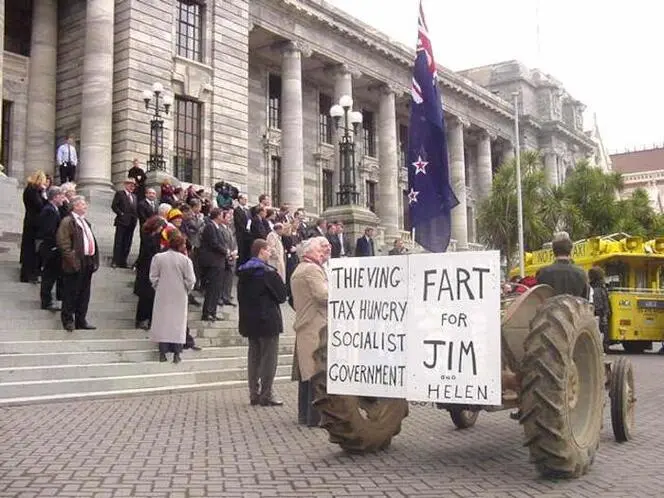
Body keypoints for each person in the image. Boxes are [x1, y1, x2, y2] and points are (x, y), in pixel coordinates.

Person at [237, 239, 288, 406]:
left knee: (254, 357)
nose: (270, 253)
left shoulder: (243, 273)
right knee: (269, 358)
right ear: (261, 251)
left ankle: (254, 393)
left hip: (250, 321)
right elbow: (281, 296)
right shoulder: (268, 272)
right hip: (268, 321)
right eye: (268, 250)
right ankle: (267, 394)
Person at [290, 236, 331, 426]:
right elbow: (323, 295)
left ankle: (304, 415)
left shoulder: (299, 269)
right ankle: (314, 417)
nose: (322, 253)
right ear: (308, 252)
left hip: (305, 324)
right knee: (315, 371)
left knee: (306, 374)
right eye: (318, 250)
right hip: (316, 324)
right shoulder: (312, 270)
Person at [149, 232, 196, 363]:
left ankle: (162, 352)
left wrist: (158, 286)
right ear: (180, 245)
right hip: (179, 295)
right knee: (178, 324)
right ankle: (177, 353)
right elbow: (191, 280)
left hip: (162, 294)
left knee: (163, 322)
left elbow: (153, 276)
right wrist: (186, 289)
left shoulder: (158, 257)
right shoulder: (185, 260)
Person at [56, 196, 99, 331]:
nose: (85, 206)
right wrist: (73, 260)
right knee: (71, 292)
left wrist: (94, 259)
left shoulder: (85, 221)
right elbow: (63, 243)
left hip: (88, 261)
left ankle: (81, 320)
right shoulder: (68, 221)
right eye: (82, 204)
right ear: (75, 206)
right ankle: (68, 320)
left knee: (84, 293)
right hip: (75, 261)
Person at [134, 216, 166, 330]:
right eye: (160, 226)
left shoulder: (158, 237)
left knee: (151, 296)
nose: (161, 229)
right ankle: (141, 320)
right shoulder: (148, 236)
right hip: (145, 269)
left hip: (154, 269)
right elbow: (147, 251)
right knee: (145, 296)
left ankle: (149, 319)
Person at [536, 232, 589, 298]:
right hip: (574, 307)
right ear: (570, 251)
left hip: (552, 308)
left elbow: (538, 299)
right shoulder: (581, 273)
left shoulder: (542, 272)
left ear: (553, 251)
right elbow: (585, 300)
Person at [37, 187, 65, 311]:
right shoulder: (49, 211)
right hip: (50, 248)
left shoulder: (54, 209)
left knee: (51, 276)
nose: (63, 198)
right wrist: (55, 246)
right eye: (61, 195)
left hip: (51, 247)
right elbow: (49, 231)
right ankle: (46, 302)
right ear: (55, 197)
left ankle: (48, 300)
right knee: (48, 276)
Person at [198, 208, 227, 321]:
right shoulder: (210, 226)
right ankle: (207, 312)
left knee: (217, 289)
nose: (223, 217)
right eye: (221, 215)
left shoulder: (217, 227)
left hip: (219, 262)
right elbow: (213, 243)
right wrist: (226, 251)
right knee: (212, 288)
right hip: (212, 262)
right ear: (217, 216)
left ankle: (213, 311)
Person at [20, 170, 47, 283]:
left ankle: (29, 274)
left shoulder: (32, 190)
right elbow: (39, 205)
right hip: (32, 223)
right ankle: (27, 275)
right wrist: (43, 193)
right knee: (29, 250)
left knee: (31, 250)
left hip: (31, 222)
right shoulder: (32, 190)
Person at [111, 178, 138, 268]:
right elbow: (114, 206)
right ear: (125, 185)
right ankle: (115, 261)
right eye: (130, 185)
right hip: (122, 222)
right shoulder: (120, 194)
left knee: (127, 243)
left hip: (131, 223)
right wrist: (121, 214)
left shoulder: (134, 197)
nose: (132, 187)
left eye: (133, 186)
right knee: (119, 242)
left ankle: (123, 261)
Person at [589, 266, 611, 352]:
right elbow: (603, 302)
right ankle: (604, 347)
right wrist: (605, 313)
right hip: (602, 314)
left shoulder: (594, 288)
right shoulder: (601, 287)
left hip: (598, 313)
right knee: (602, 331)